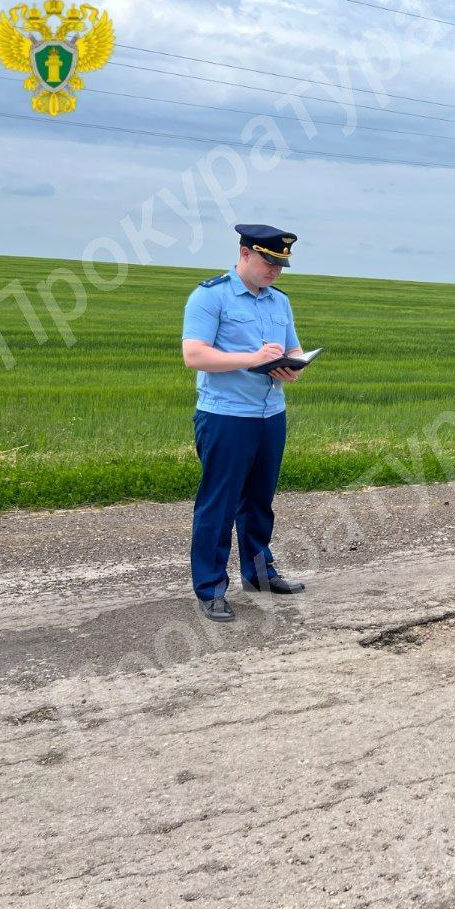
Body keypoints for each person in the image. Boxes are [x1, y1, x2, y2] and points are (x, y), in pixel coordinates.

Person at [181, 224, 308, 623]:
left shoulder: (278, 302)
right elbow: (195, 355)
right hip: (225, 416)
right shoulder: (210, 296)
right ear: (245, 253)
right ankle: (211, 588)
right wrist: (251, 359)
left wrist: (293, 367)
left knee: (258, 502)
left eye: (281, 264)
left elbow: (293, 347)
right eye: (269, 262)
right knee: (218, 504)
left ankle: (259, 573)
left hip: (271, 415)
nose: (276, 271)